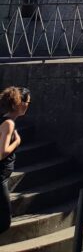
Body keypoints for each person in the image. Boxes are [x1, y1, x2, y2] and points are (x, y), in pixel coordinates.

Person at [0, 87, 30, 233]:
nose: (28, 105)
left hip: (2, 177)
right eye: (27, 102)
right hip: (0, 178)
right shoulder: (9, 124)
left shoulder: (6, 120)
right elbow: (2, 153)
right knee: (4, 221)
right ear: (19, 104)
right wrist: (17, 142)